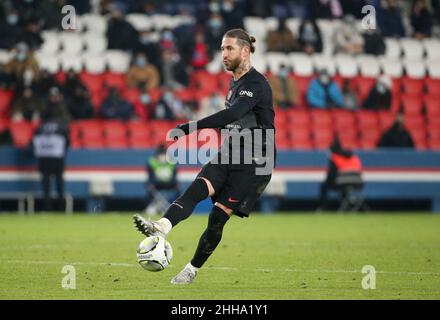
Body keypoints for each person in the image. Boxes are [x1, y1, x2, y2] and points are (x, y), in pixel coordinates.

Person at [133, 28, 275, 284]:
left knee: (217, 218)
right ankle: (162, 227)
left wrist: (190, 127)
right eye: (222, 48)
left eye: (229, 48)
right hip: (231, 152)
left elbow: (232, 116)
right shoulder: (235, 84)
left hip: (255, 160)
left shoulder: (255, 84)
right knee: (197, 188)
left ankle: (191, 269)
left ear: (245, 51)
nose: (224, 54)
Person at [32, 108, 70, 211]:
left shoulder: (41, 126)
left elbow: (34, 141)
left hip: (44, 159)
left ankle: (47, 207)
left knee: (46, 185)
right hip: (57, 159)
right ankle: (61, 208)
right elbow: (67, 142)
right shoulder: (62, 126)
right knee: (59, 184)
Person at [317, 137, 363, 211]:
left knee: (324, 186)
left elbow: (331, 175)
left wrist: (328, 182)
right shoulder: (354, 157)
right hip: (358, 184)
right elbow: (359, 170)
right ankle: (348, 205)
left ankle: (322, 208)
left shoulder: (335, 158)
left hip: (342, 183)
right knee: (344, 187)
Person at [145, 144, 179, 216]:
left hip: (169, 183)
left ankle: (172, 206)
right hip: (157, 183)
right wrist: (151, 183)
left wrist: (175, 183)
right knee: (149, 186)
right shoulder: (152, 161)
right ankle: (154, 206)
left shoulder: (172, 162)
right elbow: (150, 176)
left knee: (178, 189)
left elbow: (174, 175)